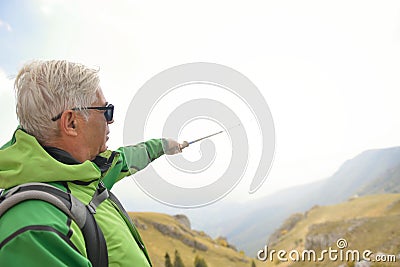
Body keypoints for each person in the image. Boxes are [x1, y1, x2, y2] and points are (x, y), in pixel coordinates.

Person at [0, 60, 184, 266]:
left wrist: (164, 146)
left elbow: (127, 159)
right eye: (106, 110)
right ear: (71, 122)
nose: (111, 120)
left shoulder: (85, 171)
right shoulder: (35, 232)